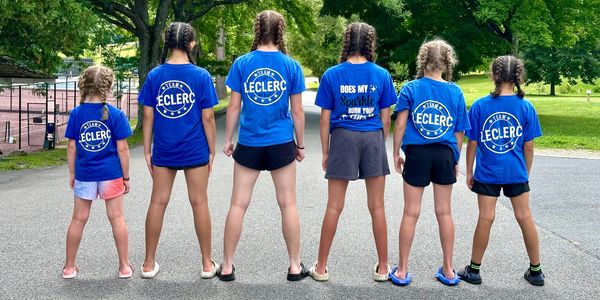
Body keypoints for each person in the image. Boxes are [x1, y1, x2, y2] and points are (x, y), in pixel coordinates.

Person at [220, 10, 307, 282]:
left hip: (249, 142)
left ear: (257, 29)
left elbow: (234, 106)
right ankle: (294, 266)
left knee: (238, 204)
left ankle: (226, 266)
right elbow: (298, 112)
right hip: (282, 142)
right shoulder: (291, 66)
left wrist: (228, 139)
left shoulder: (242, 64)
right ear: (281, 31)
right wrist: (300, 145)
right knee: (288, 203)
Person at [308, 22, 395, 282]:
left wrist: (326, 151)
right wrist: (380, 141)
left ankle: (321, 267)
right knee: (377, 206)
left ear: (346, 42)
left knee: (334, 205)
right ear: (370, 43)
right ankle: (382, 267)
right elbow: (386, 117)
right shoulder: (381, 75)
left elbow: (325, 120)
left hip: (343, 137)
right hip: (372, 136)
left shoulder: (332, 75)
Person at [138, 22, 218, 279]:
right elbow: (208, 118)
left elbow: (148, 116)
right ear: (191, 43)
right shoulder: (202, 76)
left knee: (158, 202)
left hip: (164, 148)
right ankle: (207, 264)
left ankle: (148, 264)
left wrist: (148, 150)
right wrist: (212, 150)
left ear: (166, 42)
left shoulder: (154, 76)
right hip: (195, 148)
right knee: (200, 202)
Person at [458, 55, 544, 286]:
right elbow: (529, 145)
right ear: (518, 77)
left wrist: (469, 171)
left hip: (487, 171)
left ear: (494, 76)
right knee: (525, 217)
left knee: (486, 217)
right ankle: (536, 272)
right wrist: (525, 171)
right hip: (516, 171)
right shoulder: (526, 107)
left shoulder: (479, 106)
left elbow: (473, 143)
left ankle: (474, 270)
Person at [390, 39, 470, 286]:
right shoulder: (455, 92)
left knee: (410, 212)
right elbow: (459, 132)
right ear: (447, 63)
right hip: (445, 154)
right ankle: (448, 269)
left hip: (418, 155)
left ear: (422, 61)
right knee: (444, 211)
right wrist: (455, 158)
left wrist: (396, 152)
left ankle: (402, 270)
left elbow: (401, 124)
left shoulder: (411, 88)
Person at [63, 65, 133, 279]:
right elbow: (122, 148)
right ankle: (124, 267)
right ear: (108, 87)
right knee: (117, 217)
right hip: (111, 174)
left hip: (85, 174)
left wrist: (73, 173)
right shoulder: (116, 115)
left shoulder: (76, 114)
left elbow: (72, 147)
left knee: (78, 219)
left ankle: (69, 267)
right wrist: (126, 177)